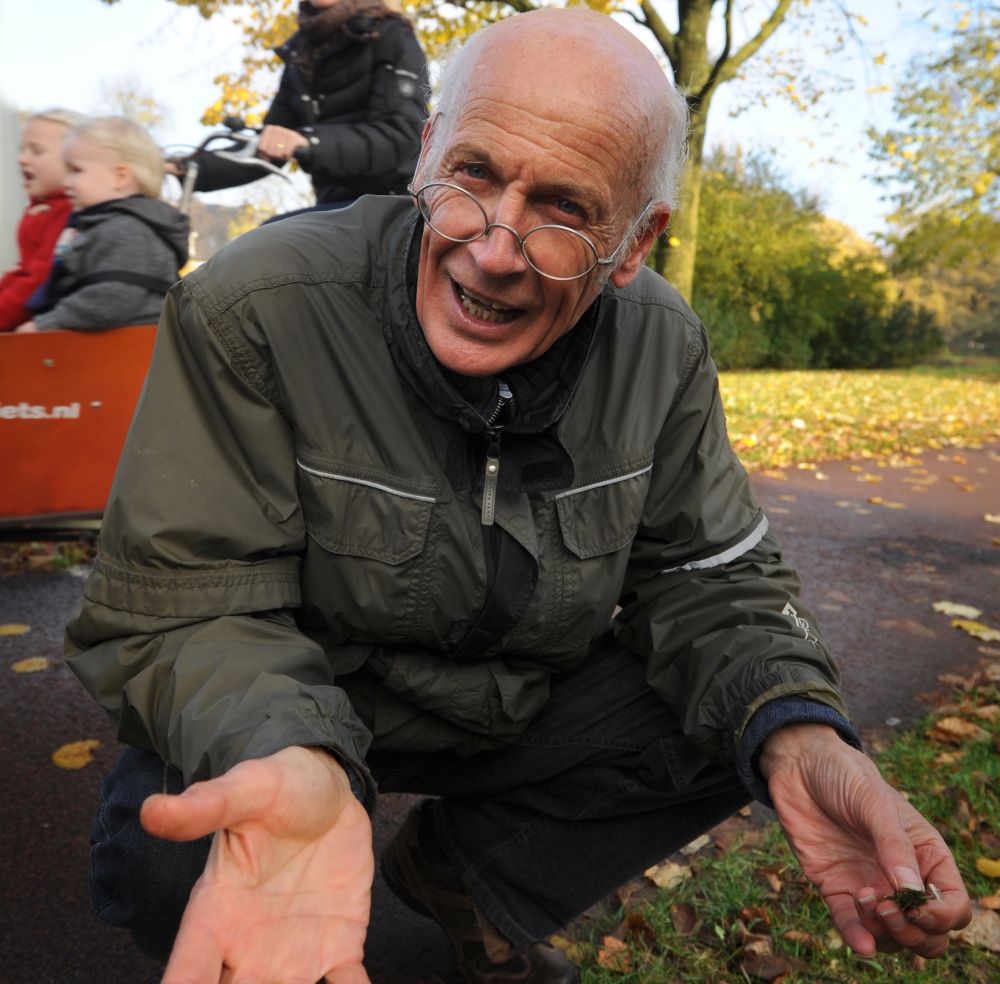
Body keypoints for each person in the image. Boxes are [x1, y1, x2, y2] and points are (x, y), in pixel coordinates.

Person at [65, 9, 971, 984]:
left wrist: (800, 738)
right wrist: (289, 753)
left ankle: (460, 876)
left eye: (564, 210)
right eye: (474, 175)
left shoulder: (662, 350)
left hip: (506, 707)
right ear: (423, 157)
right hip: (296, 698)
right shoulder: (253, 306)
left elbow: (715, 582)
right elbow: (186, 599)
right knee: (175, 856)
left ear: (635, 242)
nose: (493, 250)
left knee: (748, 719)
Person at [179, 0, 428, 212]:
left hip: (395, 203)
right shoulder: (301, 55)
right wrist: (185, 168)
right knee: (254, 247)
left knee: (266, 247)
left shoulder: (392, 35)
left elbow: (403, 139)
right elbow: (266, 145)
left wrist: (308, 141)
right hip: (333, 207)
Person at [16, 116, 188, 334]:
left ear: (120, 177)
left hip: (125, 355)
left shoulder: (129, 229)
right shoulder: (98, 225)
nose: (66, 182)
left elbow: (113, 297)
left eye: (76, 171)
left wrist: (44, 325)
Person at [0, 108, 85, 332]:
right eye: (22, 150)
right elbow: (24, 271)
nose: (22, 159)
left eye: (36, 151)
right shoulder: (43, 208)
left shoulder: (69, 212)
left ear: (72, 161)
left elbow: (39, 279)